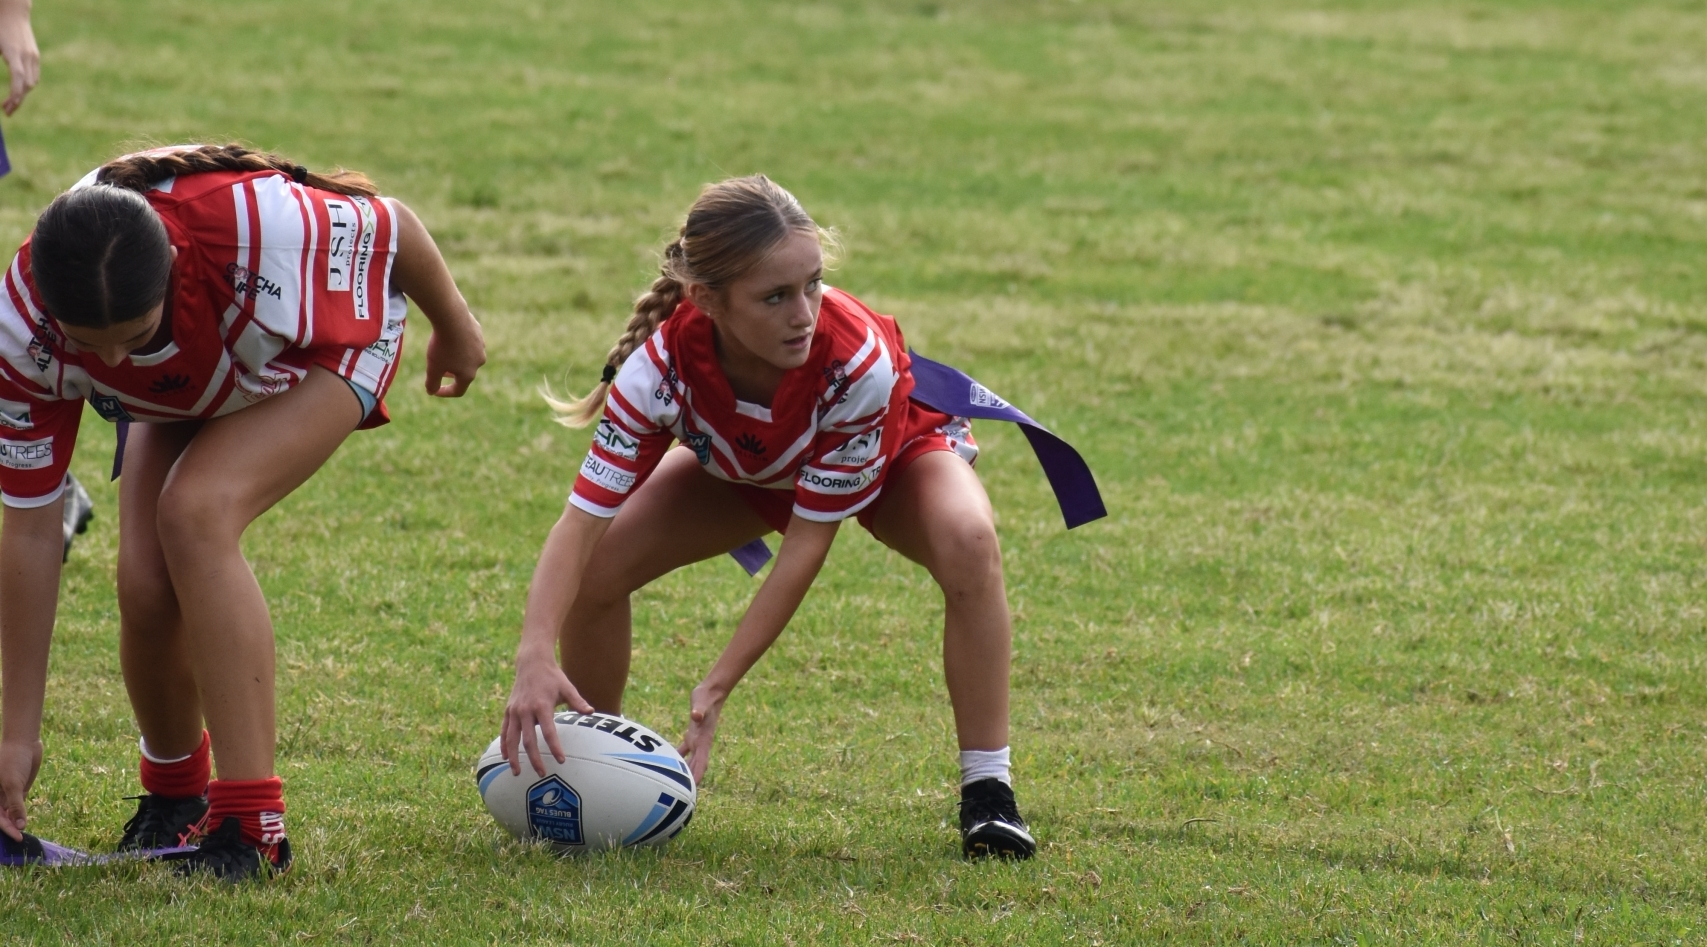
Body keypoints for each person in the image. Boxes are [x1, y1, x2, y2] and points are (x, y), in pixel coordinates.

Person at [501, 175, 1035, 859]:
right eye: (775, 296)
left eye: (813, 285)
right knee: (598, 567)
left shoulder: (856, 362)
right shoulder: (657, 370)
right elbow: (579, 525)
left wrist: (716, 686)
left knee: (969, 540)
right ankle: (594, 764)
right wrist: (533, 654)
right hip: (756, 468)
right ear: (706, 300)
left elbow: (807, 544)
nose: (803, 314)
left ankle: (988, 794)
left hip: (895, 451)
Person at [0, 144, 486, 880]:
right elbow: (33, 531)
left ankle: (253, 825)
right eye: (89, 345)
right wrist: (16, 735)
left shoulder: (260, 229)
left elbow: (393, 226)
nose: (115, 360)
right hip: (191, 373)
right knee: (145, 585)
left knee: (196, 512)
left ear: (170, 267)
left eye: (133, 336)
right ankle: (176, 797)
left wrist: (456, 326)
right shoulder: (21, 325)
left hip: (321, 346)